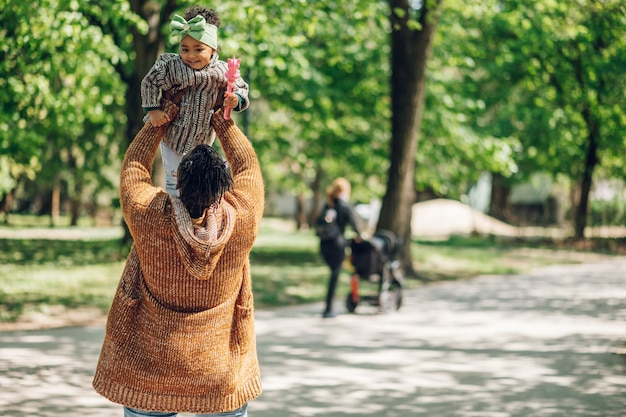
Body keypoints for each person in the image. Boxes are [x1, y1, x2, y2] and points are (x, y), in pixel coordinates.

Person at [92, 98, 264, 417]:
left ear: (178, 185)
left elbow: (134, 169)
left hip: (150, 370)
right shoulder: (244, 220)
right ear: (225, 187)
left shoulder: (149, 216)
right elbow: (249, 167)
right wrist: (223, 123)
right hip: (221, 372)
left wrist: (159, 121)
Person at [141, 5, 250, 195]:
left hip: (202, 138)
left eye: (198, 49)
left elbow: (241, 87)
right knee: (174, 177)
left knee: (196, 177)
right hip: (173, 134)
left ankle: (195, 210)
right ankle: (175, 210)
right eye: (185, 49)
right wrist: (153, 110)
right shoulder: (171, 66)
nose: (190, 56)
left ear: (213, 49)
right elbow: (149, 82)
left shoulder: (223, 71)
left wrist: (236, 98)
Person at [318, 177, 362, 318]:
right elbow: (354, 225)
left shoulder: (328, 205)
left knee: (333, 273)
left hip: (324, 245)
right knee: (335, 275)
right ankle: (328, 308)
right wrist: (360, 236)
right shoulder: (345, 206)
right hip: (337, 245)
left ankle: (328, 306)